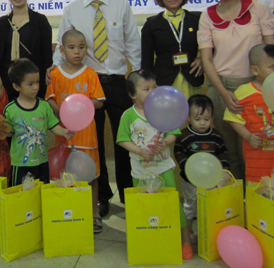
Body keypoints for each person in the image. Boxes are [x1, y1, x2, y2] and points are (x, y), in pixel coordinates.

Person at [54, 0, 141, 215]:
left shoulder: (121, 5)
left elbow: (133, 44)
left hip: (118, 83)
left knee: (124, 139)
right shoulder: (72, 9)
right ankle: (102, 195)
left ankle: (128, 193)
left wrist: (136, 78)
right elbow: (62, 45)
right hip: (87, 87)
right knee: (94, 144)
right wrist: (55, 70)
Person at [198, 0, 274, 180]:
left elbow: (272, 51)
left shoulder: (258, 8)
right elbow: (207, 59)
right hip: (221, 88)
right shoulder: (207, 16)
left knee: (255, 147)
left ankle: (257, 193)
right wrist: (224, 93)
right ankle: (236, 194)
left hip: (256, 88)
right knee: (229, 150)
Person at [116, 70, 191, 259]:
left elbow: (173, 133)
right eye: (146, 89)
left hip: (163, 167)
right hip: (140, 171)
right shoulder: (128, 116)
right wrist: (139, 151)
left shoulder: (164, 110)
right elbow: (122, 140)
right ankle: (147, 237)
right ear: (133, 95)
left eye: (155, 87)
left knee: (172, 203)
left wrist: (166, 142)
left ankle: (185, 239)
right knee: (145, 206)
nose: (153, 92)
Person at [224, 45, 274, 209]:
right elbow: (232, 118)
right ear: (255, 69)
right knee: (260, 205)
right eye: (272, 67)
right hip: (258, 163)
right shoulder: (244, 92)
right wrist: (247, 136)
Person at [46, 29, 105, 232]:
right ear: (62, 50)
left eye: (81, 47)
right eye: (72, 47)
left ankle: (94, 213)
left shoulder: (90, 74)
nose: (77, 52)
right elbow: (50, 99)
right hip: (65, 136)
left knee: (92, 175)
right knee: (66, 174)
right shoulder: (55, 74)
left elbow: (98, 101)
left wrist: (81, 106)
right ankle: (69, 210)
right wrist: (61, 111)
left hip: (87, 136)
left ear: (86, 49)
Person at [4, 59, 73, 186]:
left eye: (37, 82)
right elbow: (8, 133)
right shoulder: (10, 109)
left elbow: (53, 126)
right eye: (30, 84)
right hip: (20, 164)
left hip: (42, 162)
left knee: (42, 193)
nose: (35, 87)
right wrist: (1, 129)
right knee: (21, 195)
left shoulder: (44, 106)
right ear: (16, 86)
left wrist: (64, 131)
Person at [174, 94, 229, 235]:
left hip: (212, 180)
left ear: (212, 117)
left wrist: (224, 170)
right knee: (190, 205)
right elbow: (179, 152)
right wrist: (186, 166)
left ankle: (208, 232)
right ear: (188, 117)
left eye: (206, 119)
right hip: (190, 181)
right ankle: (188, 231)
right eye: (197, 119)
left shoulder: (216, 136)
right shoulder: (184, 135)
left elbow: (222, 153)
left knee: (210, 205)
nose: (202, 123)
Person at [141, 0, 203, 97]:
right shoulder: (152, 24)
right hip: (163, 82)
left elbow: (211, 45)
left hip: (192, 79)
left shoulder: (197, 19)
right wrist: (148, 86)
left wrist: (202, 59)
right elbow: (146, 61)